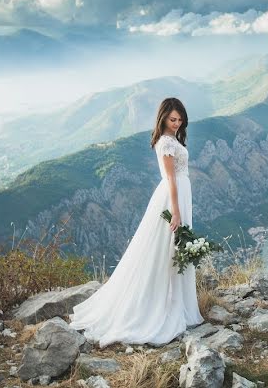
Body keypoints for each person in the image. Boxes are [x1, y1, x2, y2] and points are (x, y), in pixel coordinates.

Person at [68, 97, 204, 347]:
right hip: (172, 198)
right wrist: (175, 210)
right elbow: (171, 179)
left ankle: (176, 302)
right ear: (163, 118)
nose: (177, 123)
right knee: (164, 248)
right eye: (173, 119)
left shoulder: (173, 139)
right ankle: (159, 306)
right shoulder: (165, 143)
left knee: (174, 248)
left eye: (180, 119)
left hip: (181, 196)